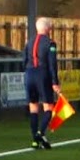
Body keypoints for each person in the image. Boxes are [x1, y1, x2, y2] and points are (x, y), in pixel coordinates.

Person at [25, 16, 61, 148]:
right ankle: (40, 133)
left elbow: (24, 60)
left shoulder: (29, 42)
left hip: (29, 74)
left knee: (33, 107)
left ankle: (35, 140)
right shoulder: (50, 43)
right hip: (42, 74)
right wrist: (55, 82)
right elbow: (52, 64)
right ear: (47, 29)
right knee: (48, 107)